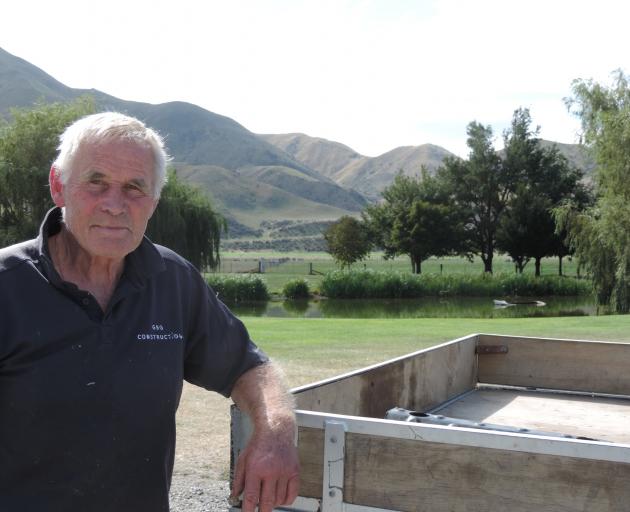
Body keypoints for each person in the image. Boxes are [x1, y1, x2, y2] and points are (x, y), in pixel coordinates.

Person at [0, 112, 299, 512]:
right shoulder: (8, 285)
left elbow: (249, 368)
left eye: (134, 187)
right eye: (96, 182)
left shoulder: (173, 280)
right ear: (59, 186)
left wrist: (275, 433)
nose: (114, 204)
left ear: (154, 201)